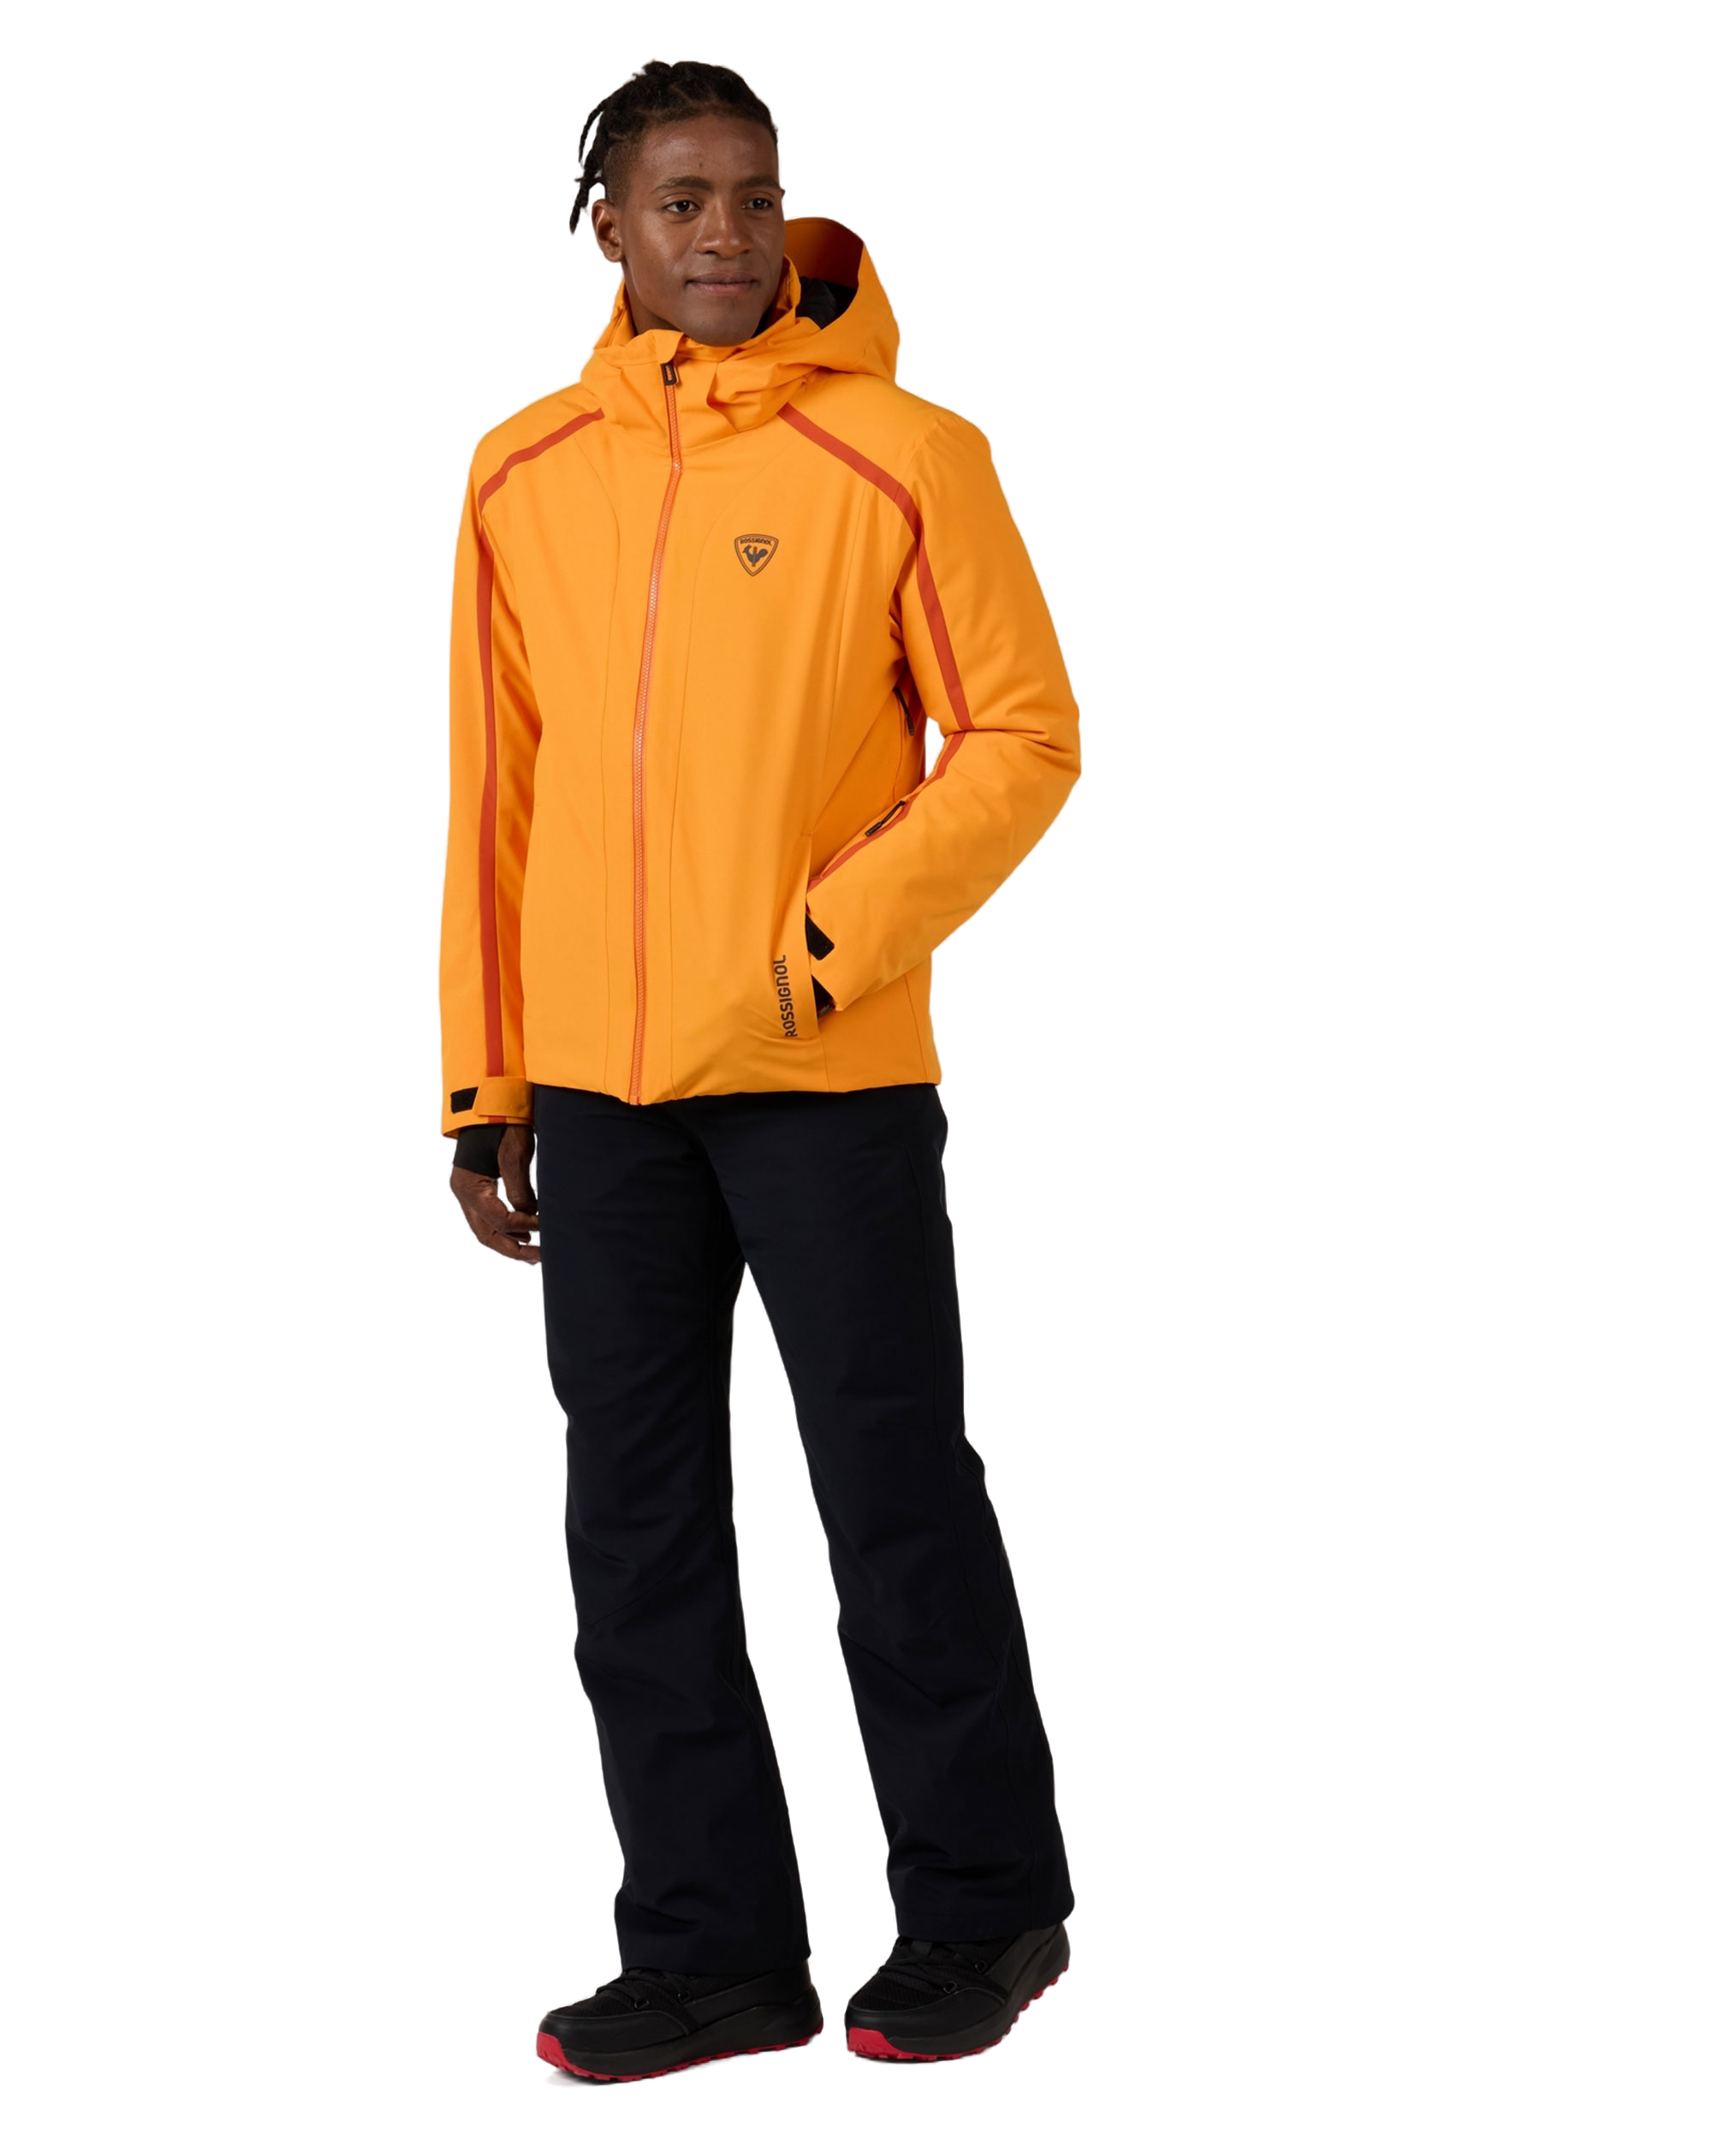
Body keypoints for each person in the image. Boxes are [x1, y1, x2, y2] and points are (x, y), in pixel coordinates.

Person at [436, 55, 1085, 2089]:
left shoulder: (905, 450)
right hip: (597, 1087)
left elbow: (1024, 734)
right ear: (600, 229)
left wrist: (824, 942)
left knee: (886, 1494)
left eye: (749, 193)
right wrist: (480, 1082)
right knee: (629, 1527)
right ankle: (707, 1948)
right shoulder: (516, 468)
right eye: (680, 200)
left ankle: (981, 1908)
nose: (722, 231)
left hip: (824, 1073)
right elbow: (491, 795)